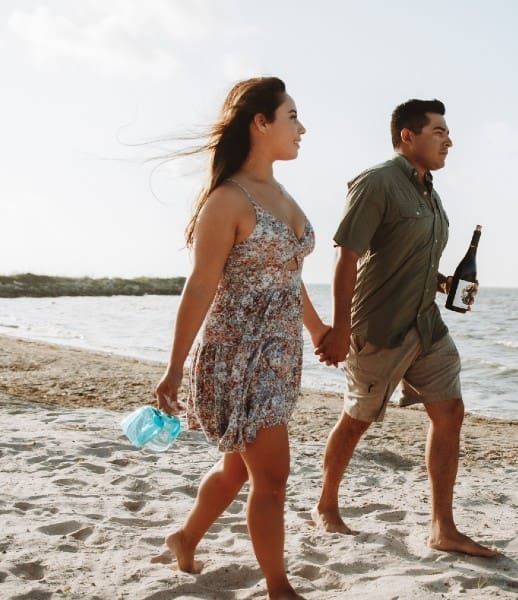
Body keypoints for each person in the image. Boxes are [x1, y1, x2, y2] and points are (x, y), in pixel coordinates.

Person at [153, 76, 327, 600]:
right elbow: (202, 283)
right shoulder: (227, 200)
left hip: (280, 355)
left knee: (236, 469)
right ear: (261, 123)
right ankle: (278, 588)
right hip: (237, 356)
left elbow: (287, 278)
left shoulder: (280, 193)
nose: (302, 128)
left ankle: (184, 538)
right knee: (271, 477)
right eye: (292, 116)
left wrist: (318, 330)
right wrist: (173, 366)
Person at [313, 99, 498, 558]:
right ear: (407, 136)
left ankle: (443, 527)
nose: (449, 140)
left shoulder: (429, 193)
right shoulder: (377, 182)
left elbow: (413, 257)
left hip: (426, 326)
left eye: (448, 132)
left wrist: (443, 283)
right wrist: (338, 328)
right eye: (439, 131)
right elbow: (347, 255)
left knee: (450, 412)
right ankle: (326, 505)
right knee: (357, 421)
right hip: (379, 327)